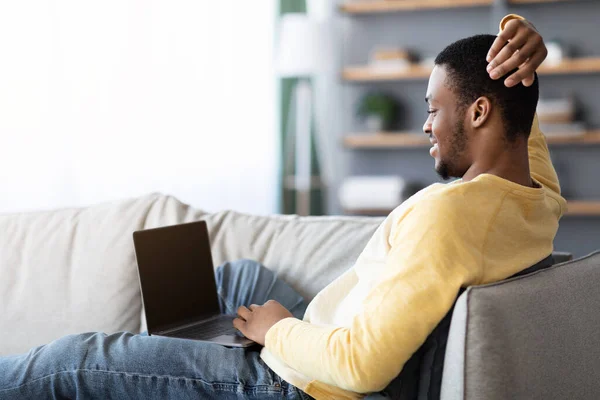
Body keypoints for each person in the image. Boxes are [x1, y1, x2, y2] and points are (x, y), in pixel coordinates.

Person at [0, 14, 565, 400]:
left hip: (302, 385)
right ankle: (156, 371)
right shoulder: (535, 197)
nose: (425, 125)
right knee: (235, 275)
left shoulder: (448, 214)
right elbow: (523, 130)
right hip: (319, 345)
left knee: (72, 357)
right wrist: (524, 56)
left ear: (480, 112)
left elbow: (362, 365)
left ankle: (132, 371)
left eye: (434, 108)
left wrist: (277, 332)